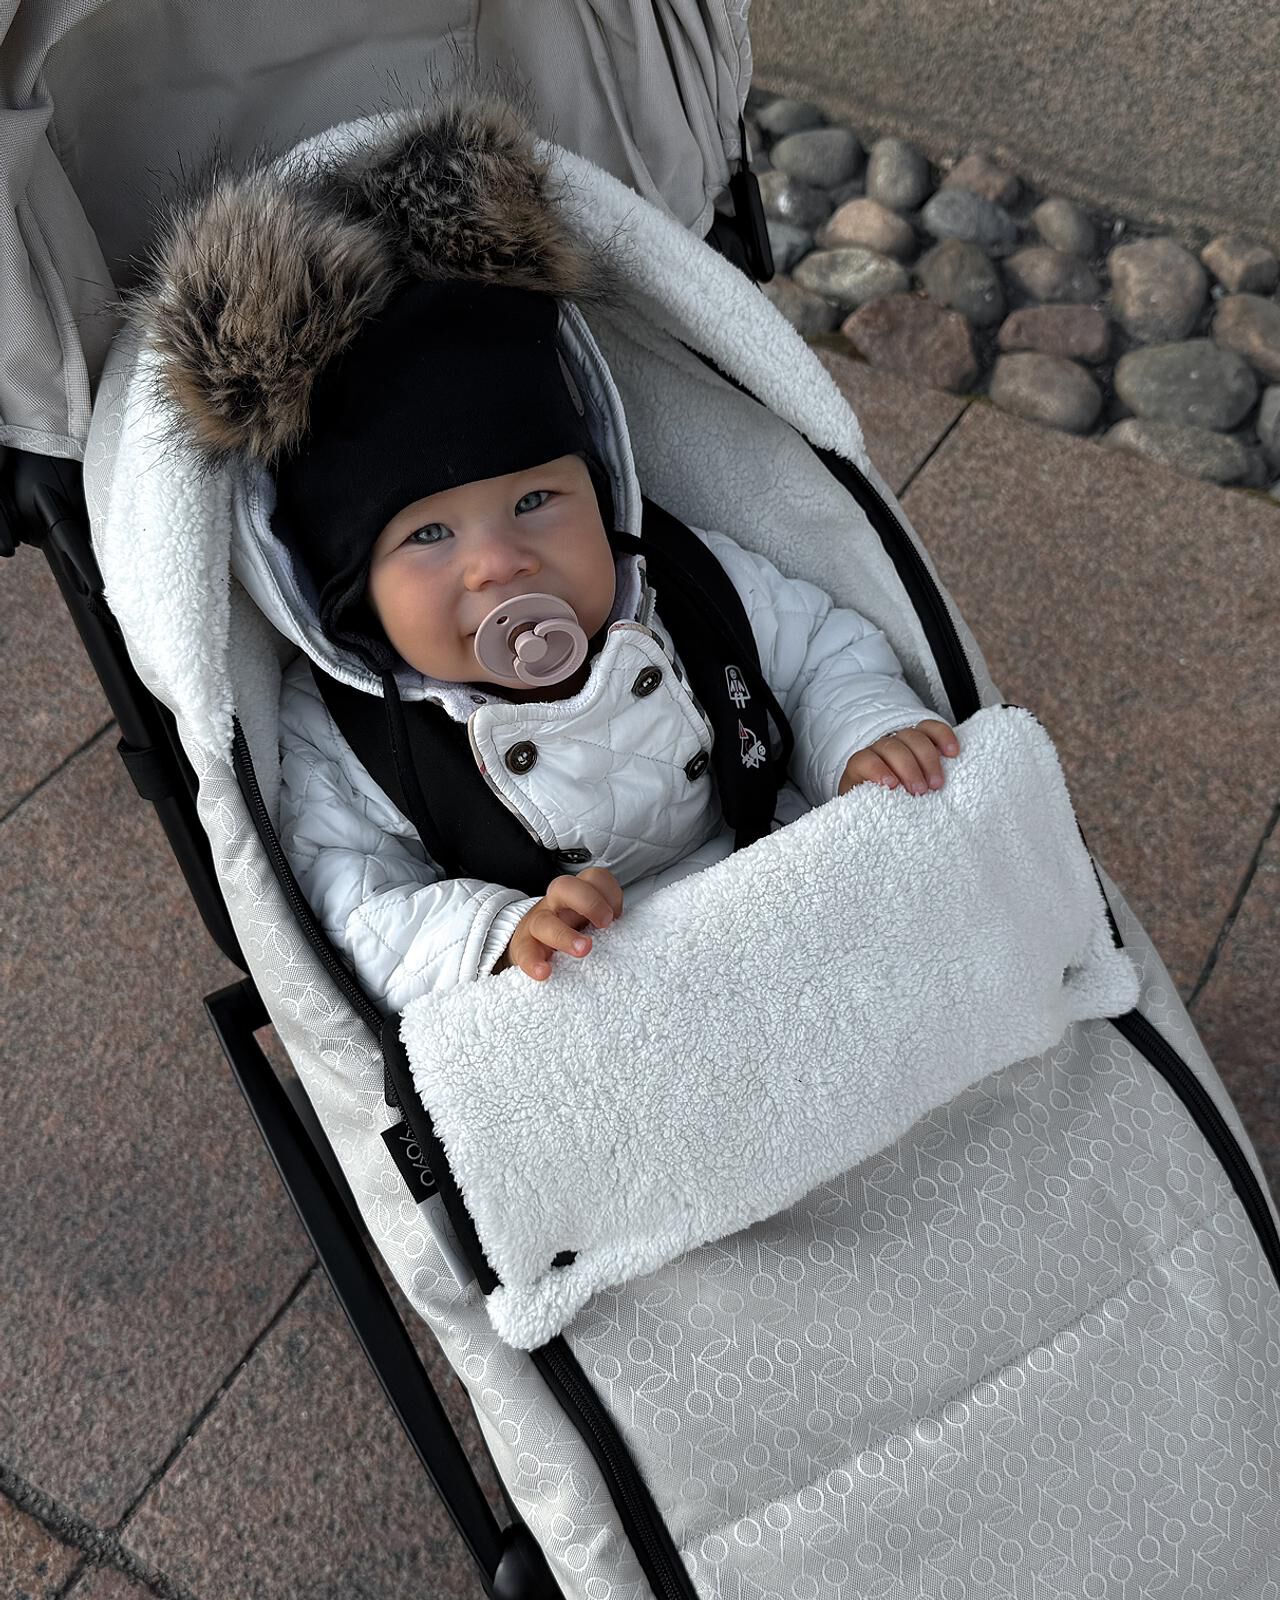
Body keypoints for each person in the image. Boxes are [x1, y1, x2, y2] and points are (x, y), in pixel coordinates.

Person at [138, 97, 959, 1007]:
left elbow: (821, 652)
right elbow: (352, 901)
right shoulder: (351, 734)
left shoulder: (682, 586)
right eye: (429, 535)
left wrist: (861, 737)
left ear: (599, 486)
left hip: (780, 897)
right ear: (348, 585)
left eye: (535, 501)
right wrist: (493, 934)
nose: (501, 563)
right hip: (579, 997)